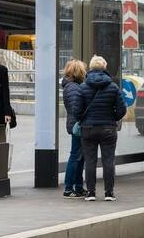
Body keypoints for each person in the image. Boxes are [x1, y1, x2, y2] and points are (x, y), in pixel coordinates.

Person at [75, 55, 126, 202]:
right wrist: (112, 119)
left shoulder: (83, 87)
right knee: (108, 161)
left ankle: (91, 193)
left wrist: (83, 120)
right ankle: (109, 193)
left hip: (88, 129)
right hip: (108, 128)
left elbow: (76, 110)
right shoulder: (113, 87)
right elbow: (122, 110)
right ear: (105, 68)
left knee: (90, 161)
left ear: (90, 68)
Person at [61, 59, 87, 198]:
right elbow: (77, 109)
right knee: (76, 156)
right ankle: (69, 187)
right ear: (78, 72)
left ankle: (78, 187)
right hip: (78, 125)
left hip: (74, 124)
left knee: (79, 156)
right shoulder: (74, 88)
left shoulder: (71, 86)